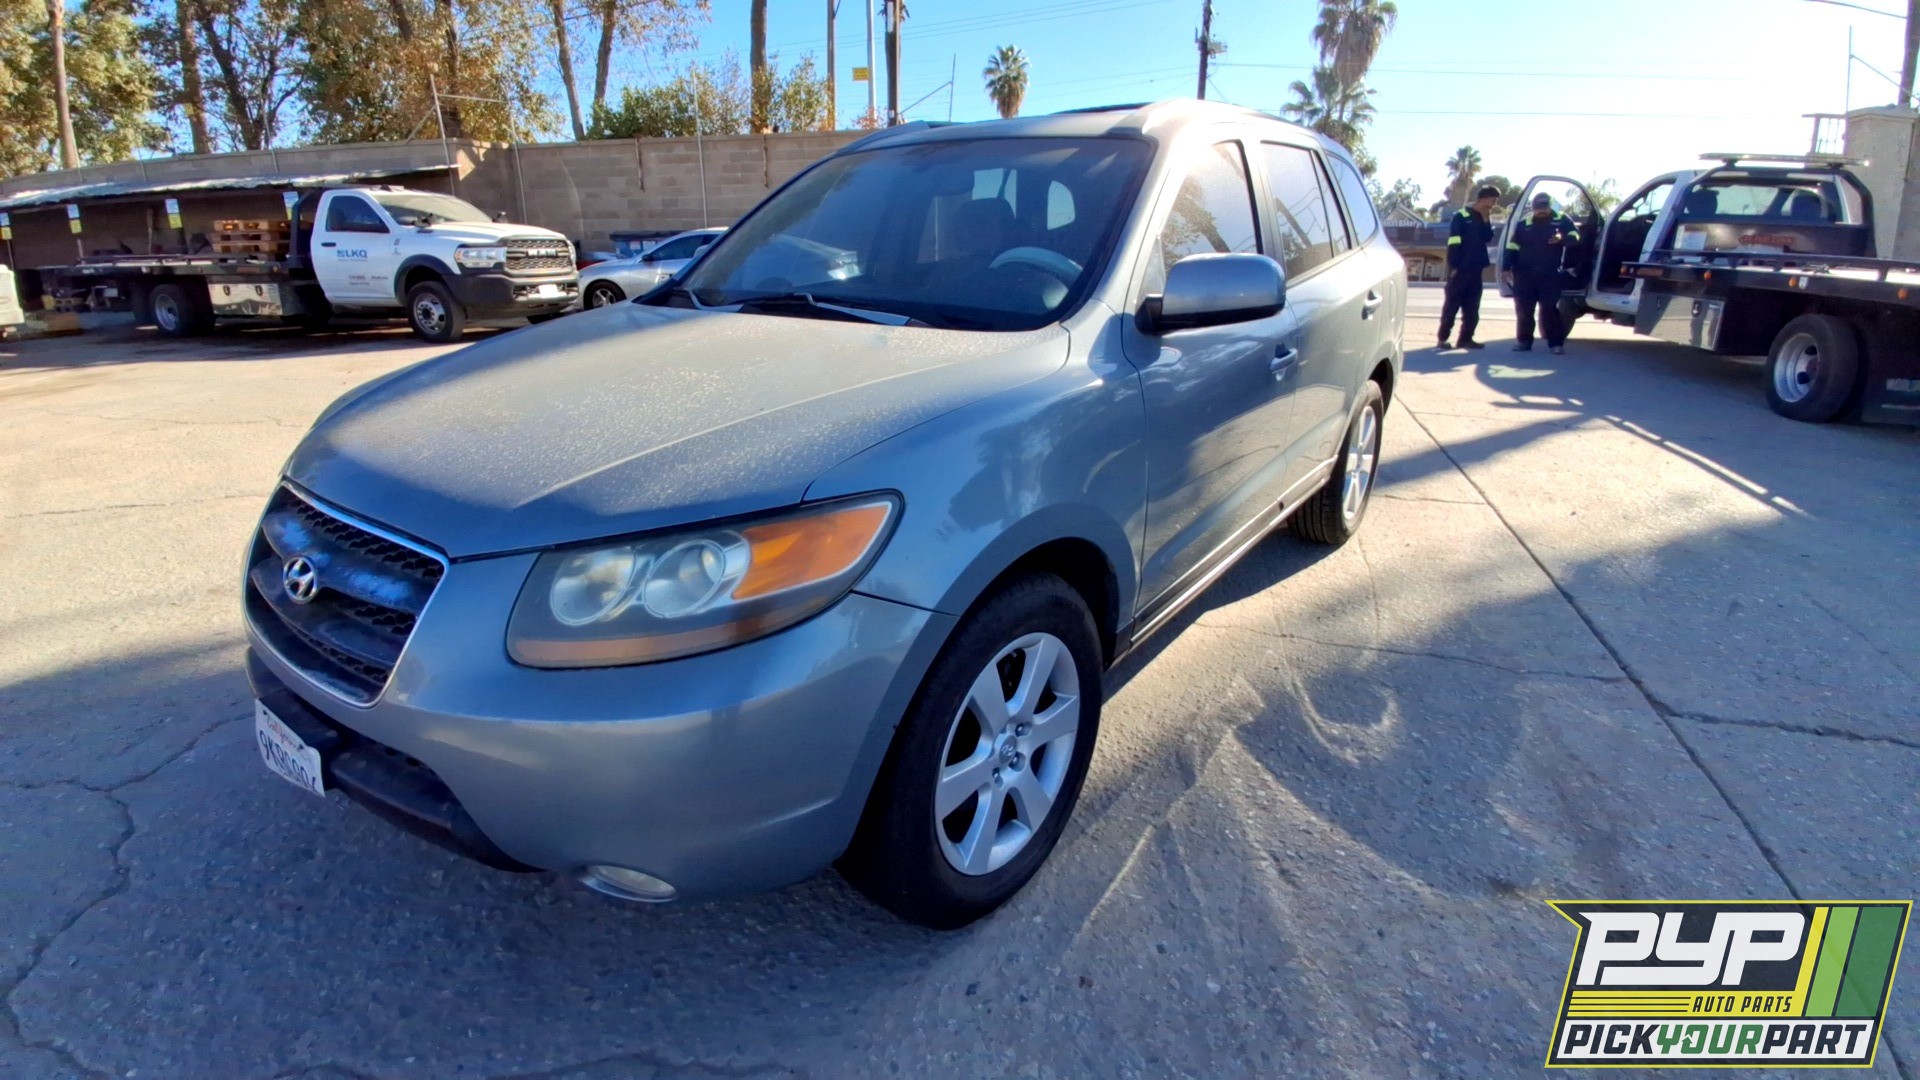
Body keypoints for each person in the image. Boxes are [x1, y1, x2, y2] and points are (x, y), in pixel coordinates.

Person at [1502, 192, 1581, 354]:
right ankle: (1524, 341)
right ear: (1533, 208)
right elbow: (1513, 247)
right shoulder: (1524, 224)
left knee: (1549, 309)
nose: (1541, 211)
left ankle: (1555, 344)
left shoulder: (1562, 220)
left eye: (1544, 208)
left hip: (1549, 274)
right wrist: (1505, 267)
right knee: (1524, 310)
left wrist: (1562, 239)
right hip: (1524, 274)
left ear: (1550, 206)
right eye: (1538, 208)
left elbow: (1575, 236)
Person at [1438, 185, 1499, 350]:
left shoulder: (1484, 217)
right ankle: (1443, 339)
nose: (1493, 204)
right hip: (1460, 269)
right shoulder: (1461, 216)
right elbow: (1454, 242)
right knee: (1452, 305)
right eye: (1492, 200)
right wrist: (1454, 266)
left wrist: (1486, 220)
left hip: (1476, 269)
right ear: (1484, 198)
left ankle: (1465, 339)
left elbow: (1487, 237)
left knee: (1472, 307)